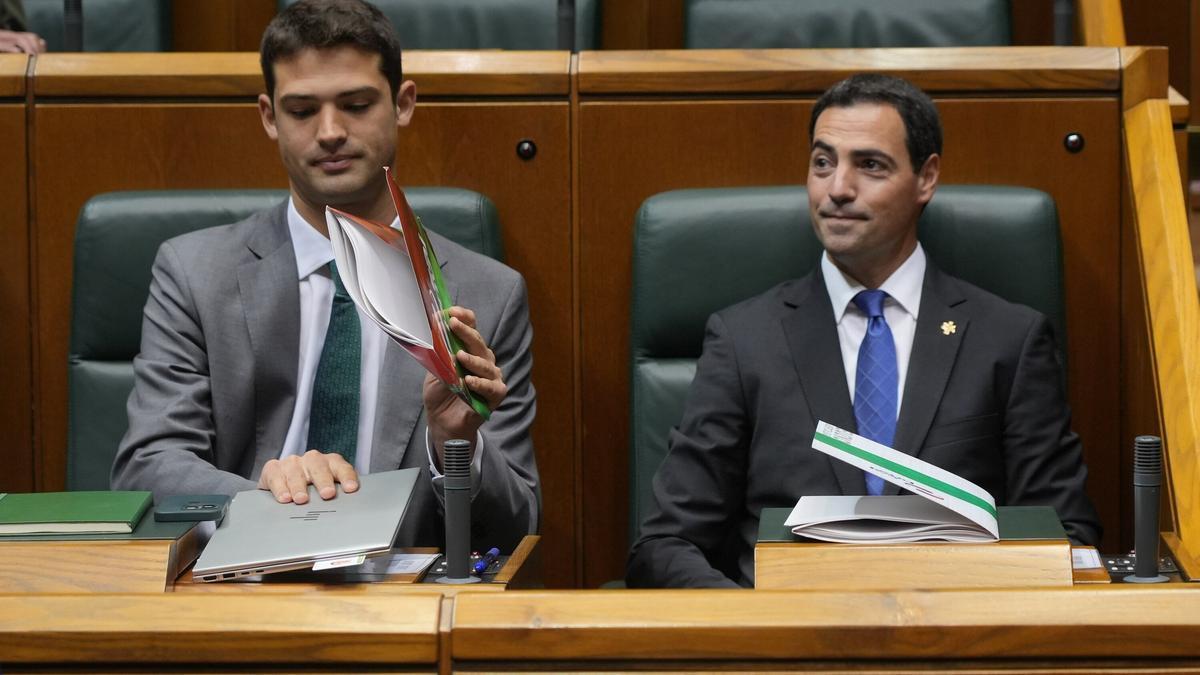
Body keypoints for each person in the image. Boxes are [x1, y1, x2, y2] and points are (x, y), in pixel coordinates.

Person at [626, 73, 1101, 588]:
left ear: (927, 178)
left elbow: (1062, 537)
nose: (838, 189)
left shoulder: (1008, 339)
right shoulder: (745, 340)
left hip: (952, 643)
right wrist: (752, 624)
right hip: (787, 647)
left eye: (869, 165)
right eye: (823, 162)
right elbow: (666, 544)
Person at [111, 0, 539, 553]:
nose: (331, 131)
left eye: (356, 104)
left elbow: (518, 525)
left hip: (401, 598)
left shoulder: (489, 294)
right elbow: (148, 467)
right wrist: (260, 500)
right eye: (302, 110)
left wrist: (454, 447)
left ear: (403, 104)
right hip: (237, 584)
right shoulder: (194, 274)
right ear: (269, 116)